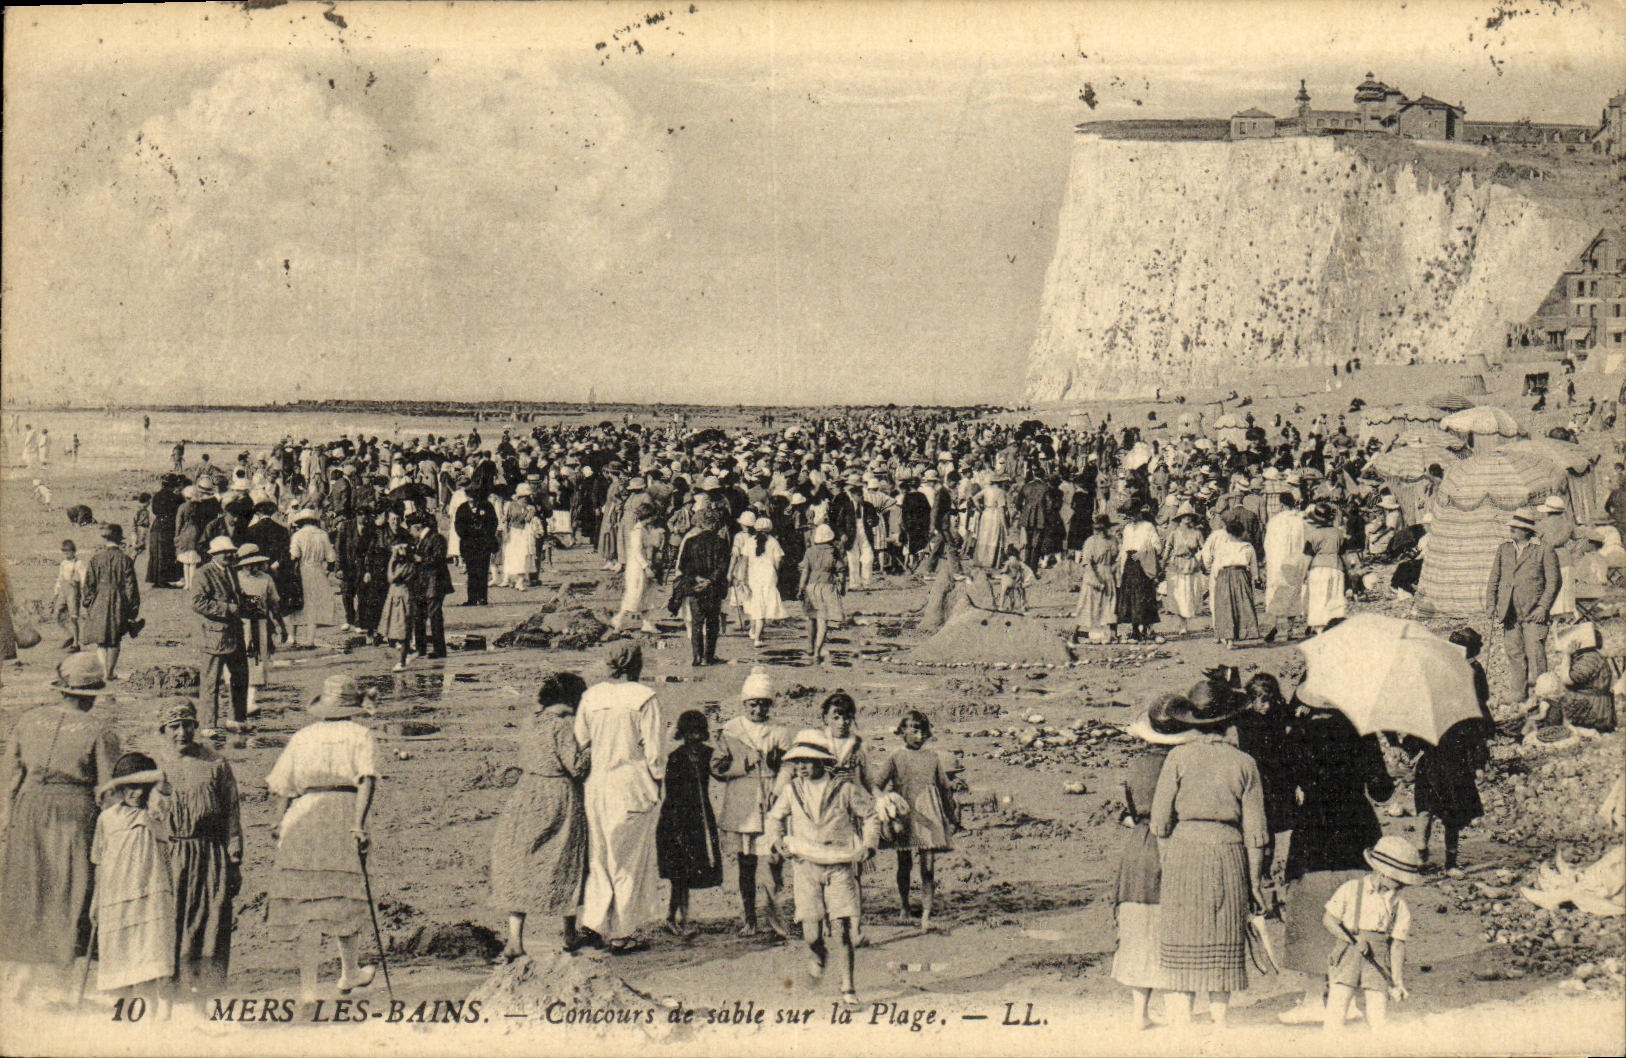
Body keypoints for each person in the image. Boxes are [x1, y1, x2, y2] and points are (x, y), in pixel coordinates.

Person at [1149, 678, 1269, 1028]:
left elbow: (1160, 822)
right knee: (1224, 939)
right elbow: (1256, 834)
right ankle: (1219, 1028)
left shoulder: (1177, 757)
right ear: (1230, 722)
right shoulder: (1245, 763)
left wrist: (1169, 863)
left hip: (1184, 852)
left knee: (1182, 939)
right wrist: (1256, 882)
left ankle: (1181, 1028)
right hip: (1229, 854)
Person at [0, 654, 120, 1002]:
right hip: (74, 814)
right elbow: (108, 788)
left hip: (30, 810)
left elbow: (10, 778)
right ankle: (63, 978)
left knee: (31, 886)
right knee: (72, 887)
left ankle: (23, 974)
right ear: (92, 694)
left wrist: (8, 820)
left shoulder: (28, 720)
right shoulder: (99, 731)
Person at [1278, 699, 1395, 1025]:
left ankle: (1315, 997)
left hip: (1314, 827)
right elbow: (1381, 790)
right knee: (1357, 910)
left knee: (1314, 907)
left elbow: (1286, 782)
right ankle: (1351, 997)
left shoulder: (1300, 732)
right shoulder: (1362, 731)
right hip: (1357, 826)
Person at [265, 675, 381, 1002]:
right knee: (343, 896)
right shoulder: (361, 734)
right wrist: (359, 825)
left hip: (302, 815)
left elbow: (284, 785)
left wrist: (278, 820)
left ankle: (309, 989)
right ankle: (348, 972)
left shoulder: (303, 736)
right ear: (353, 707)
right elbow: (367, 781)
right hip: (342, 813)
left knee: (309, 906)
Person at [767, 730, 880, 1008]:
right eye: (797, 761)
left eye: (808, 760)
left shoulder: (844, 788)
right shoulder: (792, 790)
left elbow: (870, 816)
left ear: (822, 761)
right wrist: (777, 841)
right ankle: (817, 953)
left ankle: (848, 987)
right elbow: (773, 818)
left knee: (841, 929)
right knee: (812, 934)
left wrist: (869, 844)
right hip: (805, 865)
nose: (803, 766)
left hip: (840, 863)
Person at [489, 671, 591, 961]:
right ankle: (570, 934)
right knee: (566, 859)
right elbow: (576, 767)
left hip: (527, 792)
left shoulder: (531, 721)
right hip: (558, 794)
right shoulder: (564, 725)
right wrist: (591, 748)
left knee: (520, 861)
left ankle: (514, 939)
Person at [148, 698, 241, 1006]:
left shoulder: (216, 763)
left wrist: (234, 855)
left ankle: (203, 999)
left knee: (210, 921)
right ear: (164, 729)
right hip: (172, 855)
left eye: (188, 725)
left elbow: (231, 812)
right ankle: (167, 1001)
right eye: (174, 727)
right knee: (171, 922)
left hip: (211, 855)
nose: (182, 733)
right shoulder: (155, 765)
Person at [574, 643, 666, 953]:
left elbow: (582, 742)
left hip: (597, 785)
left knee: (599, 857)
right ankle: (622, 932)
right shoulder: (644, 698)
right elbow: (654, 751)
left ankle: (595, 923)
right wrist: (657, 782)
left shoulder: (591, 696)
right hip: (631, 785)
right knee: (629, 861)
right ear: (635, 665)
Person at [1112, 694, 1197, 1029]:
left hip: (1139, 849)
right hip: (1174, 845)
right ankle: (1178, 1011)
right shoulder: (1184, 762)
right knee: (1175, 925)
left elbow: (1132, 811)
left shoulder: (1139, 765)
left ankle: (1139, 1013)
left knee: (1137, 928)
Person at [90, 752, 176, 1016]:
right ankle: (127, 1021)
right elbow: (100, 862)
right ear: (120, 788)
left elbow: (161, 776)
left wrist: (110, 783)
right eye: (129, 787)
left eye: (141, 787)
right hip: (116, 896)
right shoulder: (107, 818)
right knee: (121, 960)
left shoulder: (156, 812)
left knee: (149, 960)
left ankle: (151, 1020)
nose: (136, 793)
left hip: (150, 894)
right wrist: (96, 900)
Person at [713, 667, 794, 938]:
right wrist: (740, 764)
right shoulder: (732, 731)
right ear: (744, 704)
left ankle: (773, 915)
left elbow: (788, 766)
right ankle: (749, 917)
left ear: (769, 705)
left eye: (762, 704)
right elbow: (717, 767)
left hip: (770, 798)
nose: (757, 709)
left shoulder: (779, 732)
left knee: (773, 860)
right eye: (752, 704)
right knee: (746, 863)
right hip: (742, 802)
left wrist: (779, 788)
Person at [1322, 837, 1421, 1031]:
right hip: (1347, 956)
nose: (1401, 886)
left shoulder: (1399, 905)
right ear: (1381, 873)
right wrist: (1352, 939)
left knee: (1378, 1018)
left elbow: (1398, 945)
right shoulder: (1351, 889)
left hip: (1377, 961)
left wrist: (1397, 981)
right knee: (1336, 1012)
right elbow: (1329, 920)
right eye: (1397, 880)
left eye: (1404, 882)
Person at [874, 709, 958, 931]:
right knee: (904, 863)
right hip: (905, 816)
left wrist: (952, 815)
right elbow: (876, 784)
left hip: (929, 815)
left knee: (928, 866)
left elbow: (945, 789)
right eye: (913, 731)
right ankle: (904, 906)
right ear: (902, 732)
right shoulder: (896, 757)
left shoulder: (933, 758)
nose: (918, 736)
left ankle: (926, 913)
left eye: (922, 731)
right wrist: (885, 804)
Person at [657, 710, 723, 938]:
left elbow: (721, 771)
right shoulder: (676, 757)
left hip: (699, 819)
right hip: (677, 819)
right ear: (683, 734)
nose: (694, 737)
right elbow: (671, 793)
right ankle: (673, 918)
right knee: (679, 874)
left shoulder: (708, 754)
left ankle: (682, 918)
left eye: (698, 732)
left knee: (688, 873)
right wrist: (676, 825)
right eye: (689, 733)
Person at [1485, 507, 1559, 703]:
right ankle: (1518, 692)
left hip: (1534, 611)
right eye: (1512, 527)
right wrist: (1491, 604)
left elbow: (1553, 582)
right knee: (1514, 651)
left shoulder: (1544, 549)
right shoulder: (1505, 548)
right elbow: (1494, 578)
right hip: (1509, 611)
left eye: (1516, 528)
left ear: (1527, 530)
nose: (1512, 531)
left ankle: (1543, 694)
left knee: (1535, 652)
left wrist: (1543, 607)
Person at [193, 537, 250, 733]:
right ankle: (208, 724)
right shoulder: (203, 573)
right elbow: (198, 603)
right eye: (224, 552)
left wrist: (256, 602)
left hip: (235, 633)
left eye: (231, 551)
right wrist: (228, 609)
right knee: (211, 682)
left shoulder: (232, 571)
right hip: (214, 636)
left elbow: (239, 596)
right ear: (213, 554)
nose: (228, 555)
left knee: (240, 677)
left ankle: (236, 719)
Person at [81, 523, 141, 682]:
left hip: (99, 599)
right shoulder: (125, 559)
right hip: (118, 600)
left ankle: (103, 671)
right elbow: (131, 586)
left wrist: (88, 602)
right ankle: (110, 672)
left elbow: (88, 583)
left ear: (105, 539)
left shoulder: (96, 558)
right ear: (119, 540)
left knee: (101, 639)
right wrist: (132, 608)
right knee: (115, 638)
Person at [673, 507, 731, 667]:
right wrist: (710, 580)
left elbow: (683, 566)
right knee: (713, 622)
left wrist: (697, 578)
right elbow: (723, 566)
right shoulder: (721, 543)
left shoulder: (691, 541)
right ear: (714, 524)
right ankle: (709, 656)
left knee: (696, 622)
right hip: (714, 587)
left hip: (695, 587)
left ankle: (697, 656)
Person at [235, 543, 284, 718]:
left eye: (254, 564)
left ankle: (251, 700)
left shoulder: (266, 579)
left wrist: (281, 626)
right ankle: (241, 701)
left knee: (257, 661)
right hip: (241, 625)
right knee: (242, 660)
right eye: (248, 565)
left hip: (260, 625)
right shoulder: (235, 579)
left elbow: (274, 603)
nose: (251, 568)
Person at [1202, 509, 1259, 648]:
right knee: (1241, 605)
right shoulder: (1248, 547)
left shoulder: (1223, 547)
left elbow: (1218, 564)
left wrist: (1214, 577)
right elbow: (1253, 566)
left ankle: (1229, 639)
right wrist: (1254, 578)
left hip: (1224, 576)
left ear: (1228, 533)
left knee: (1225, 606)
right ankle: (1239, 634)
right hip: (1241, 576)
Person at [1261, 492, 1308, 643]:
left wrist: (1269, 561)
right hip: (1297, 560)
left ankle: (1273, 625)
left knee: (1276, 592)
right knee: (1294, 592)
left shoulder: (1275, 521)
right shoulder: (1302, 521)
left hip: (1278, 562)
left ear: (1281, 504)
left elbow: (1268, 544)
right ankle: (1289, 630)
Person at [287, 509, 338, 648]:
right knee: (313, 606)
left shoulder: (298, 535)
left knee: (297, 602)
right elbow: (331, 557)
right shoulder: (323, 535)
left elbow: (294, 555)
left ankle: (292, 636)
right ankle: (310, 639)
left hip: (302, 571)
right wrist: (326, 570)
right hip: (318, 571)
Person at [408, 511, 453, 659]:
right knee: (418, 615)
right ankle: (420, 648)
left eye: (411, 528)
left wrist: (421, 559)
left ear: (418, 527)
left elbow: (439, 558)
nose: (410, 532)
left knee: (434, 616)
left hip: (435, 582)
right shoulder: (419, 540)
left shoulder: (436, 538)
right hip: (422, 583)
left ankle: (439, 650)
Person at [797, 523, 844, 663]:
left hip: (811, 587)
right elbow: (841, 571)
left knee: (811, 618)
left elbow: (805, 572)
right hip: (827, 587)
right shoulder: (833, 551)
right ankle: (818, 650)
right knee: (823, 620)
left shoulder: (810, 552)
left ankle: (810, 646)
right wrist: (842, 587)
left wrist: (801, 588)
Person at [740, 513, 788, 647]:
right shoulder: (773, 542)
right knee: (765, 604)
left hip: (753, 574)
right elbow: (778, 561)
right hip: (768, 575)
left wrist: (742, 576)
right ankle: (758, 636)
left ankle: (754, 629)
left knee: (755, 601)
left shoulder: (750, 541)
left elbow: (744, 560)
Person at [612, 503, 660, 634]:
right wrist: (646, 567)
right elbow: (637, 551)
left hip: (643, 566)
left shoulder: (646, 530)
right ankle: (619, 621)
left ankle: (647, 623)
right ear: (648, 516)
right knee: (634, 596)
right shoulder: (637, 531)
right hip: (637, 569)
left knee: (646, 595)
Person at [1116, 505, 1160, 641]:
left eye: (1133, 514)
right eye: (1129, 516)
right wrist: (1122, 565)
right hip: (1130, 563)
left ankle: (1146, 628)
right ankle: (1135, 630)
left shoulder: (1148, 526)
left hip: (1143, 563)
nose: (1131, 518)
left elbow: (1157, 545)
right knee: (1130, 596)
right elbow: (1124, 547)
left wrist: (1143, 553)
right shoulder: (1128, 528)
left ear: (1139, 513)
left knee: (1144, 595)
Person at [1159, 505, 1205, 636]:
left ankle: (1186, 621)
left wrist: (1202, 562)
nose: (1187, 518)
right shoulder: (1174, 534)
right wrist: (1162, 564)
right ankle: (1182, 624)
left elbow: (1203, 549)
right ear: (1180, 518)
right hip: (1177, 565)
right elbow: (1167, 550)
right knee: (1179, 594)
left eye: (1189, 516)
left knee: (1189, 594)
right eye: (1184, 516)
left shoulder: (1197, 533)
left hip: (1191, 565)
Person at [1074, 514, 1118, 644]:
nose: (1101, 531)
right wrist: (1094, 579)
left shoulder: (1113, 541)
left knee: (1110, 602)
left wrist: (1114, 571)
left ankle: (1112, 632)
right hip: (1094, 573)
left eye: (1104, 528)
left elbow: (1116, 559)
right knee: (1088, 603)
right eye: (1098, 529)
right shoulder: (1091, 541)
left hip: (1108, 573)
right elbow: (1087, 562)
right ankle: (1076, 631)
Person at [1303, 501, 1346, 634]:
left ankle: (1319, 626)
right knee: (1335, 596)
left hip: (1319, 567)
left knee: (1318, 597)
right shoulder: (1339, 533)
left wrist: (1304, 572)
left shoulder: (1313, 535)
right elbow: (1344, 553)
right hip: (1336, 567)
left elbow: (1308, 556)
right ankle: (1333, 623)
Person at [454, 486, 499, 605]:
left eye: (474, 498)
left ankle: (482, 597)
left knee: (483, 570)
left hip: (484, 543)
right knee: (471, 571)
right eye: (469, 497)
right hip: (469, 544)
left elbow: (493, 522)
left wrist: (484, 532)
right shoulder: (462, 508)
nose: (472, 500)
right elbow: (458, 525)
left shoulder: (487, 506)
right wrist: (468, 532)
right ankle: (472, 598)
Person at [381, 542, 415, 671]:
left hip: (402, 597)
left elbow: (391, 577)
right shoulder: (403, 564)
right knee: (393, 629)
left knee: (403, 629)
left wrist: (392, 559)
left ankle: (402, 661)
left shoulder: (407, 566)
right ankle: (407, 653)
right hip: (395, 595)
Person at [52, 539, 86, 651]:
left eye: (68, 552)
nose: (66, 554)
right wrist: (56, 593)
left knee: (73, 617)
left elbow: (84, 579)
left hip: (73, 592)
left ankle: (76, 643)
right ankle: (69, 635)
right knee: (57, 615)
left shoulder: (78, 563)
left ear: (73, 551)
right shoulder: (63, 563)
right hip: (63, 591)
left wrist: (83, 591)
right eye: (64, 552)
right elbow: (59, 578)